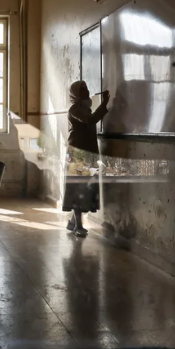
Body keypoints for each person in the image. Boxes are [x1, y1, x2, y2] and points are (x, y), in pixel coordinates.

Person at [62, 81, 110, 237]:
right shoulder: (75, 109)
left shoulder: (85, 109)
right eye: (82, 90)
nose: (87, 91)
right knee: (78, 190)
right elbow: (90, 120)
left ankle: (72, 222)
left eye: (87, 88)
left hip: (87, 154)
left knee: (84, 189)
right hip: (78, 155)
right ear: (75, 93)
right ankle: (78, 226)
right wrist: (104, 105)